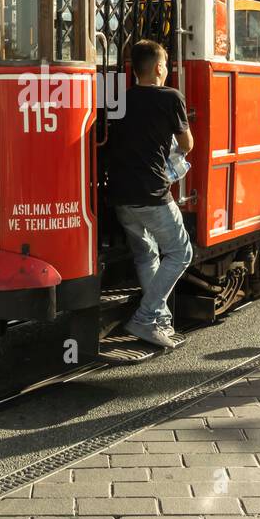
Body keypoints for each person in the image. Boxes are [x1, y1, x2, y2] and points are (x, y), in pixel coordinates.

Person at [105, 39, 195, 349]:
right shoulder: (171, 98)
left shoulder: (121, 98)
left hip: (119, 194)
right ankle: (145, 317)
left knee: (147, 253)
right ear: (159, 68)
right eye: (166, 65)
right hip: (152, 193)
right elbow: (187, 144)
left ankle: (160, 321)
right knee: (181, 253)